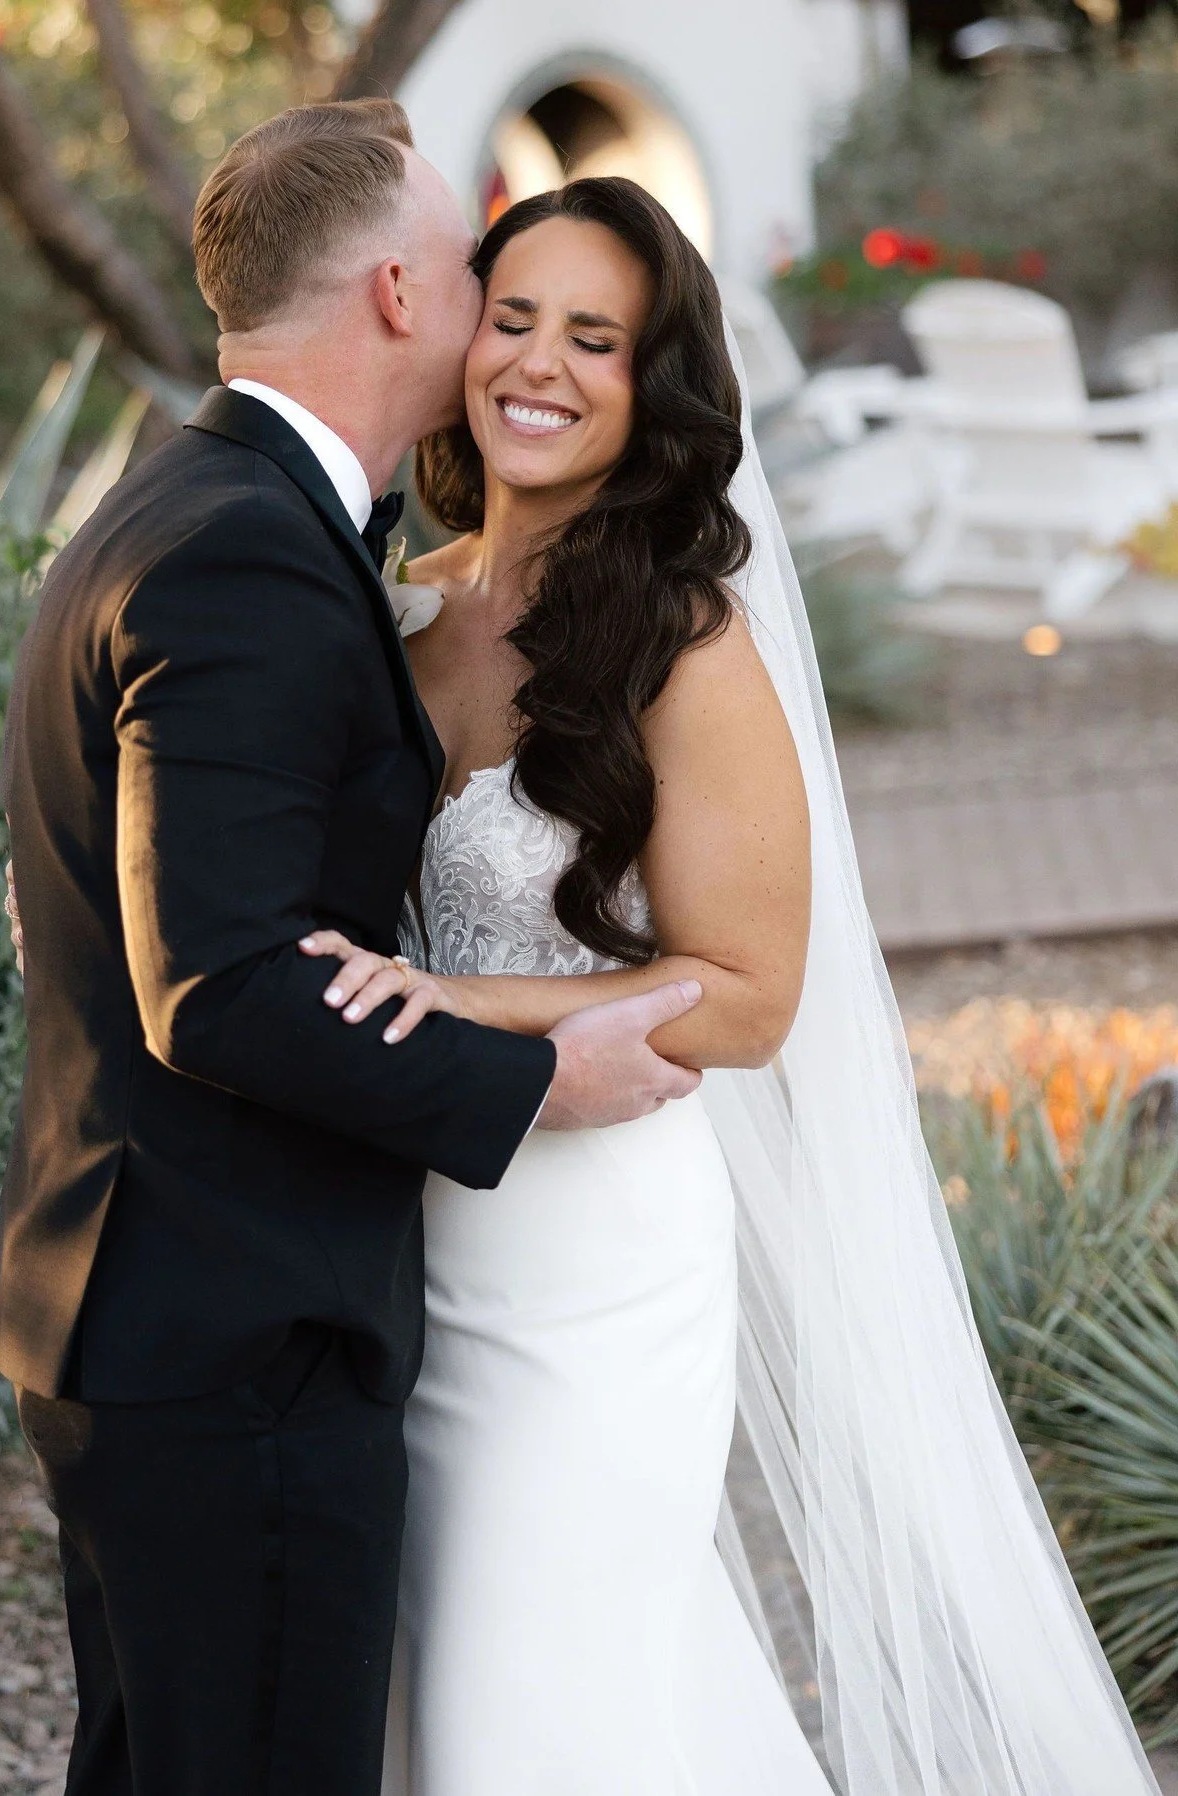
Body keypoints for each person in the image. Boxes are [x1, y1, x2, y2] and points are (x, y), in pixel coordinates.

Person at [301, 179, 1163, 1796]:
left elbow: (755, 995)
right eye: (515, 318)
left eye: (597, 338)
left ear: (653, 389)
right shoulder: (398, 605)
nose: (540, 366)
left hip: (595, 1271)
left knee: (525, 1704)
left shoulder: (682, 646)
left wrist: (449, 1005)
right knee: (531, 1701)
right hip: (398, 1255)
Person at [0, 103, 705, 1796]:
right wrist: (530, 1077)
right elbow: (221, 986)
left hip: (149, 1314)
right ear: (399, 295)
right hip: (235, 1343)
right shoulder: (241, 551)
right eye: (473, 269)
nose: (492, 304)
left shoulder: (196, 501)